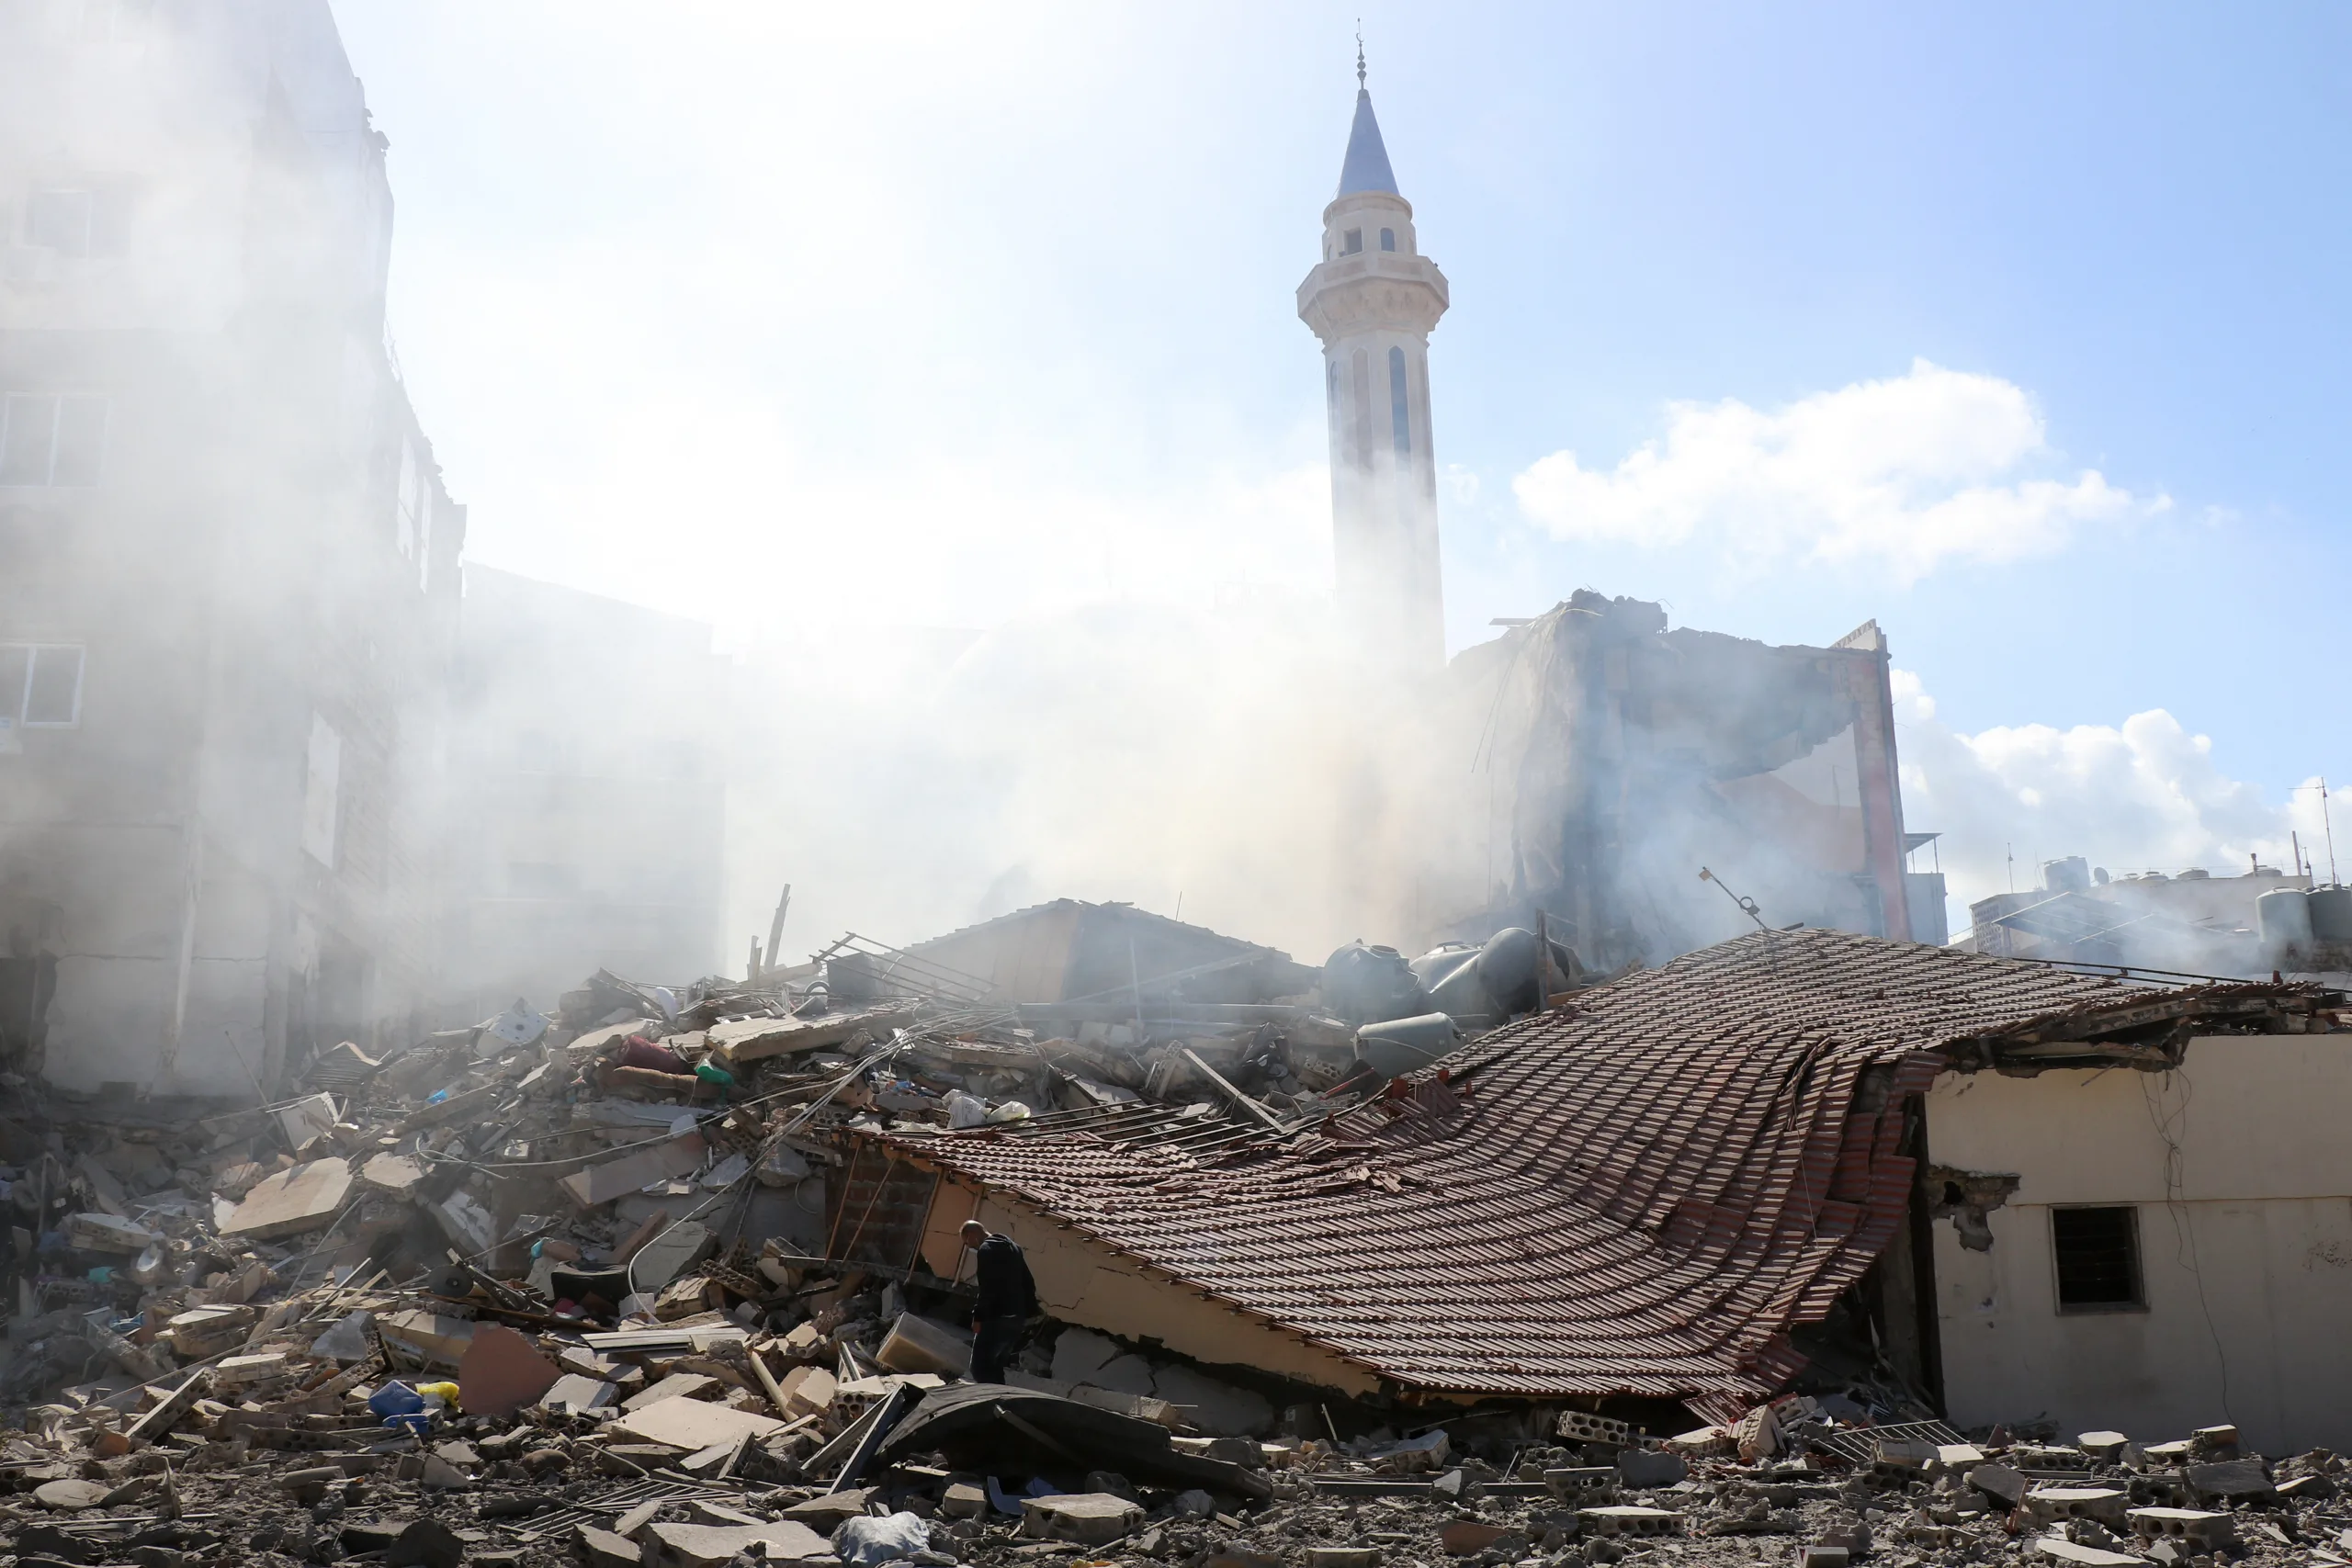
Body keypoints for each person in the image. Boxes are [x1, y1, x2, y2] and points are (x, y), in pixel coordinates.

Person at [963, 1220, 1037, 1382]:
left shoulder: (986, 1250)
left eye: (966, 1242)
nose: (969, 1247)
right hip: (1016, 1318)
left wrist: (978, 1318)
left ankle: (990, 1404)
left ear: (972, 1235)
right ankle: (1001, 1403)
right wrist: (1026, 1312)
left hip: (996, 1318)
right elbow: (1028, 1282)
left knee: (980, 1368)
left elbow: (987, 1288)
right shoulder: (1014, 1248)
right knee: (996, 1367)